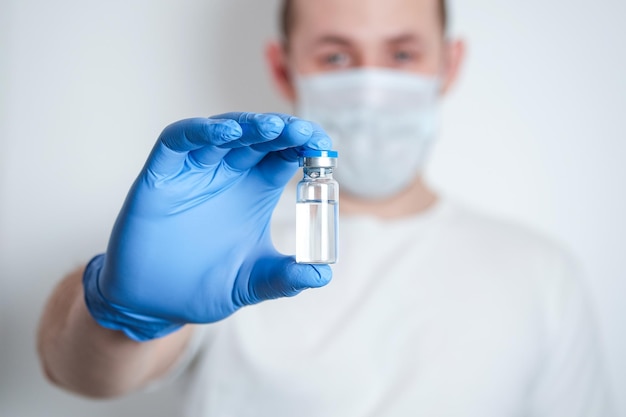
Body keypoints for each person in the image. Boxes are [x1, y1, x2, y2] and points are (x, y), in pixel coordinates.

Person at [37, 0, 615, 416]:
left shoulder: (541, 273)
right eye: (336, 57)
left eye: (402, 53)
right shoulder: (228, 238)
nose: (369, 86)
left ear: (450, 63)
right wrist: (121, 312)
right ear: (283, 68)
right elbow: (81, 374)